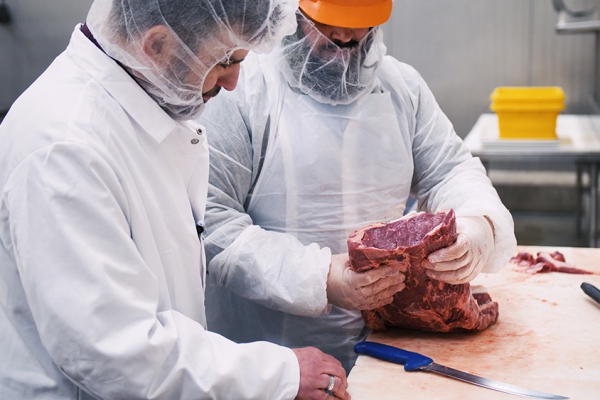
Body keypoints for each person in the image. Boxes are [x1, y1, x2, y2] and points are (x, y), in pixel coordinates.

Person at [0, 0, 354, 399]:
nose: (234, 81)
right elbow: (118, 352)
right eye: (224, 62)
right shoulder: (64, 147)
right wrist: (279, 376)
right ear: (157, 45)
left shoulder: (142, 106)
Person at [197, 0, 518, 374]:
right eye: (328, 25)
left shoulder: (402, 86)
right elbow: (214, 222)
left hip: (389, 351)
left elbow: (450, 170)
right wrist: (320, 278)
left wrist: (479, 224)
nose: (345, 37)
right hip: (268, 360)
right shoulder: (243, 88)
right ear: (292, 14)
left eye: (358, 27)